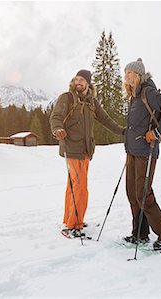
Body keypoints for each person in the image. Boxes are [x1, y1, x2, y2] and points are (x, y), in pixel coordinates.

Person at [50, 69, 124, 238]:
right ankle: (73, 225)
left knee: (74, 185)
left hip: (86, 150)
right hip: (71, 147)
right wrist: (57, 129)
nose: (78, 82)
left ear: (88, 83)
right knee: (80, 186)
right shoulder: (67, 98)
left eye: (82, 80)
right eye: (76, 79)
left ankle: (71, 219)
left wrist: (122, 131)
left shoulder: (92, 102)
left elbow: (105, 119)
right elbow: (56, 117)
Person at [122, 58, 161, 251]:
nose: (126, 76)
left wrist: (157, 133)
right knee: (132, 193)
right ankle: (140, 233)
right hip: (132, 152)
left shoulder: (148, 92)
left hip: (146, 152)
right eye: (125, 73)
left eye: (130, 72)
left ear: (139, 74)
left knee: (143, 194)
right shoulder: (134, 96)